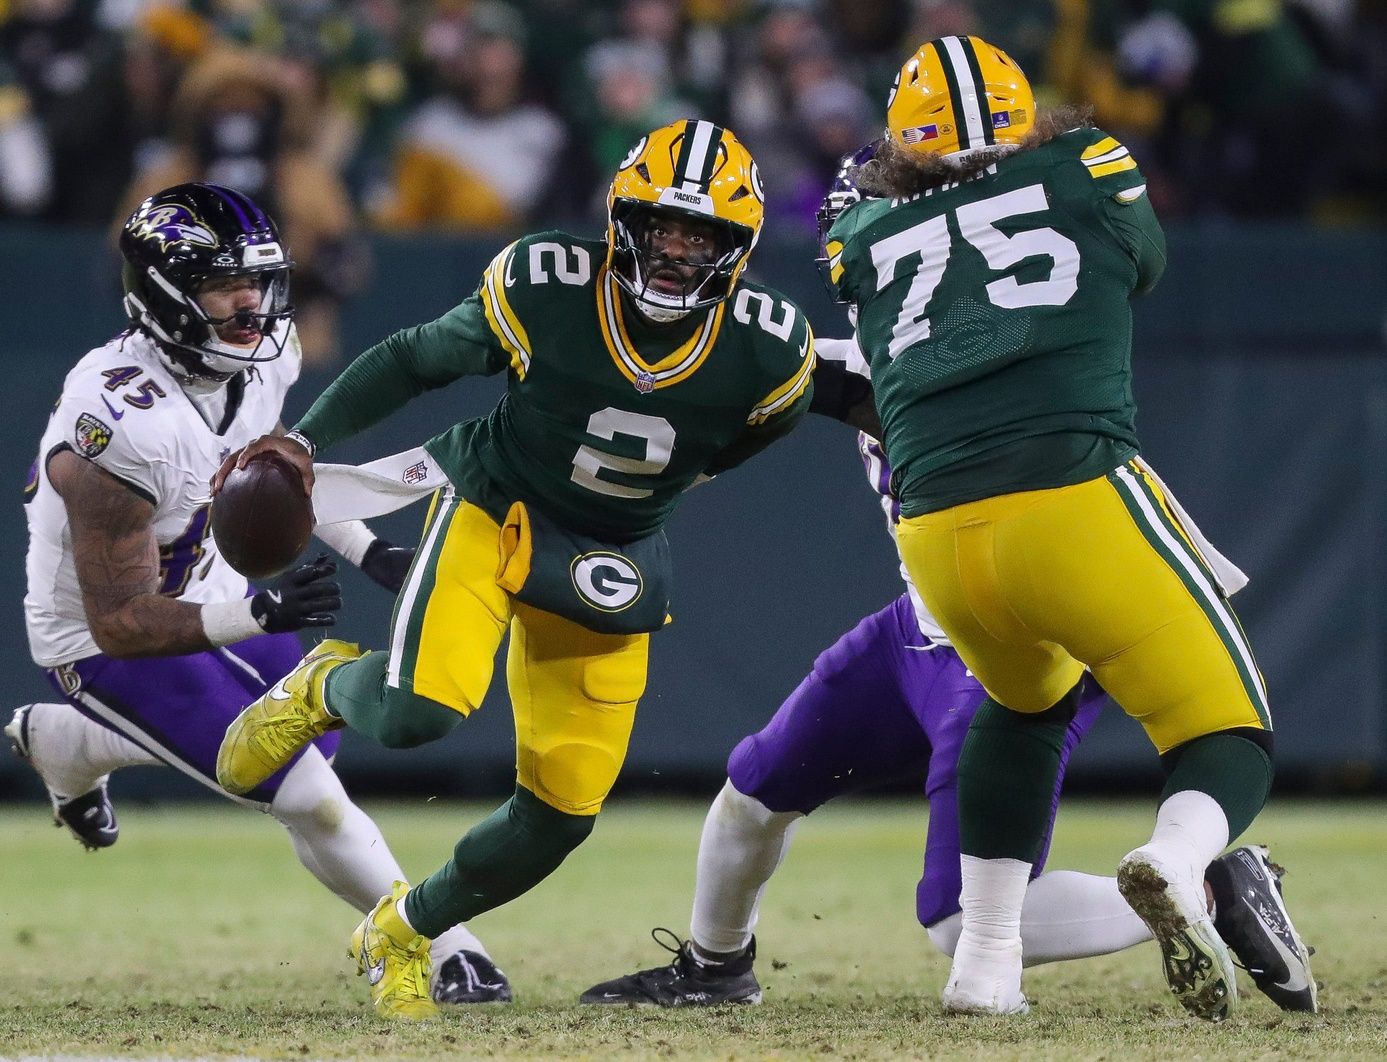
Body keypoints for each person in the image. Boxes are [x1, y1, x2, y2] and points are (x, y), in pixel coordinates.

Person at [576, 146, 1316, 1014]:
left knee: (961, 926)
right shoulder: (876, 344)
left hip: (1014, 624)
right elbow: (748, 372)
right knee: (750, 794)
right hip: (922, 622)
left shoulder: (991, 339)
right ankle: (713, 967)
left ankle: (1212, 890)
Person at [211, 120, 817, 1021]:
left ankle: (403, 930)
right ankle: (324, 685)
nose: (675, 253)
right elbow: (417, 357)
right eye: (658, 227)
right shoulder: (547, 281)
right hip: (496, 503)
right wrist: (302, 440)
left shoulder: (771, 353)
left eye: (700, 238)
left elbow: (729, 444)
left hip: (614, 554)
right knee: (419, 712)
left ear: (737, 250)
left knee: (562, 814)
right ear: (622, 220)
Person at [822, 36, 1301, 1021]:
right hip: (1072, 492)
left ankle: (985, 964)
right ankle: (1180, 864)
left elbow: (878, 275)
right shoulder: (1088, 162)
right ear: (1019, 113)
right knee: (1226, 729)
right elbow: (1145, 266)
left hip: (937, 537)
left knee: (1022, 706)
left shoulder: (862, 235)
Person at [10, 182, 508, 1006]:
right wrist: (258, 612)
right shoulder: (114, 423)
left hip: (212, 581)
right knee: (303, 790)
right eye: (221, 285)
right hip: (101, 641)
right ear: (163, 296)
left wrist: (364, 546)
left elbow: (266, 484)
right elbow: (123, 619)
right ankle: (437, 944)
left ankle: (67, 746)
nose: (251, 305)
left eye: (259, 281)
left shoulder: (263, 357)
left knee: (312, 754)